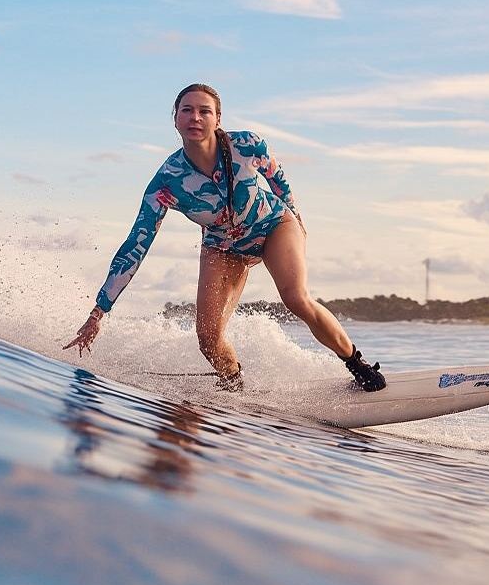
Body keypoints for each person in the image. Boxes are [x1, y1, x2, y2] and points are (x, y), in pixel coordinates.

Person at [64, 83, 387, 393]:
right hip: (223, 246)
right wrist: (98, 312)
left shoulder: (246, 145)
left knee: (295, 299)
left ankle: (357, 366)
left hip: (274, 226)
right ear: (175, 118)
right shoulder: (167, 182)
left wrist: (297, 219)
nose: (195, 117)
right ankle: (234, 385)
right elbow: (137, 244)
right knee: (207, 337)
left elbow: (279, 181)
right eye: (187, 110)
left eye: (205, 111)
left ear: (218, 118)